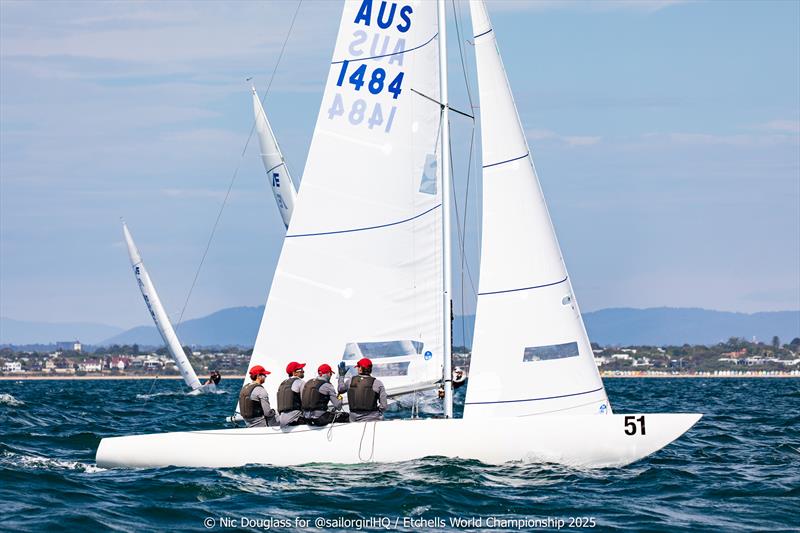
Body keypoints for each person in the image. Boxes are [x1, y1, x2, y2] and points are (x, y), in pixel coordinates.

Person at [337, 357, 387, 422]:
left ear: (360, 369)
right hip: (373, 418)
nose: (357, 369)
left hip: (354, 419)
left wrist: (341, 375)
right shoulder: (378, 383)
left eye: (358, 367)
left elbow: (340, 389)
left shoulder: (350, 381)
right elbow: (384, 406)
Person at [277, 361, 306, 427]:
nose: (303, 371)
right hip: (295, 419)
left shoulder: (282, 384)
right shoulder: (301, 382)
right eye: (301, 370)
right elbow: (305, 403)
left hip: (282, 421)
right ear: (294, 373)